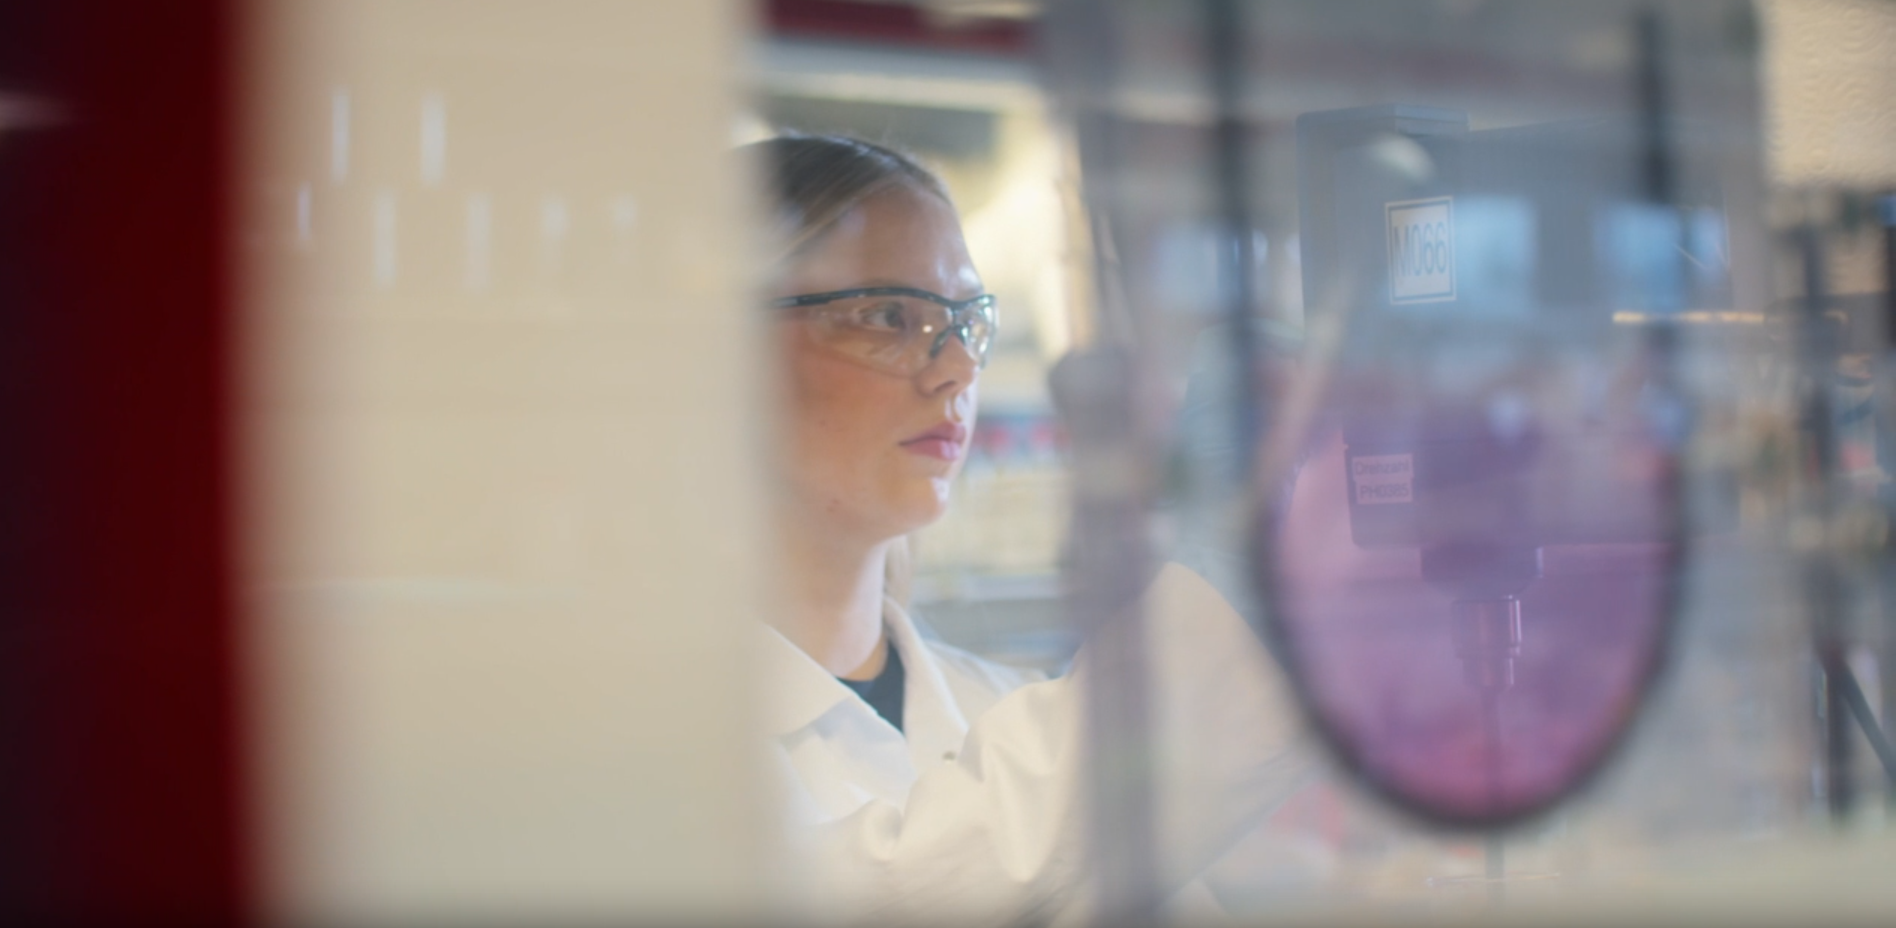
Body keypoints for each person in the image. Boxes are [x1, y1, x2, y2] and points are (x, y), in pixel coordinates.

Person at [750, 133, 1310, 922]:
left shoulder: (1004, 707)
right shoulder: (630, 743)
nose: (956, 368)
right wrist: (1228, 584)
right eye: (885, 315)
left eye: (966, 318)